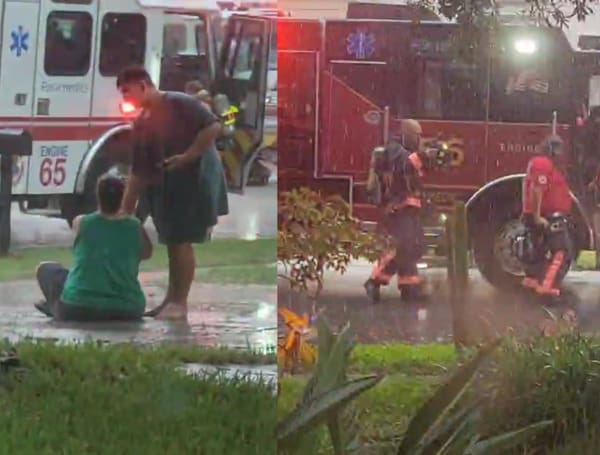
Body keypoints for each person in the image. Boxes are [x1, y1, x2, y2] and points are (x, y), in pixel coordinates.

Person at [116, 65, 229, 321]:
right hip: (166, 184)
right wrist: (126, 209)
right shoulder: (142, 121)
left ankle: (180, 302)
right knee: (170, 239)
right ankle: (170, 299)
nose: (126, 99)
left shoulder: (181, 102)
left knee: (181, 240)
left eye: (127, 92)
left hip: (194, 180)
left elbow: (212, 127)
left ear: (144, 85)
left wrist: (189, 155)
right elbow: (138, 170)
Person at [34, 174, 152, 321]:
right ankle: (54, 306)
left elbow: (77, 249)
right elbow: (147, 253)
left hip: (78, 307)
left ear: (98, 196)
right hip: (128, 308)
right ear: (122, 197)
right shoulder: (135, 226)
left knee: (46, 269)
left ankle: (54, 307)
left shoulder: (82, 222)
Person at [363, 119, 441, 303]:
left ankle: (409, 286)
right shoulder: (395, 150)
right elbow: (405, 167)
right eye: (417, 134)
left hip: (408, 208)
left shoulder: (402, 150)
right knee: (405, 246)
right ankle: (374, 280)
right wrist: (424, 155)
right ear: (406, 133)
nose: (419, 138)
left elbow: (414, 176)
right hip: (398, 209)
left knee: (414, 246)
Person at [520, 135, 574, 299]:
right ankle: (548, 287)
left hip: (543, 214)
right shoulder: (543, 163)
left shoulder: (541, 164)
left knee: (539, 250)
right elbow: (538, 189)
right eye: (557, 149)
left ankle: (533, 282)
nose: (560, 153)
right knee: (562, 252)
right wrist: (537, 216)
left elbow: (529, 187)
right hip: (547, 216)